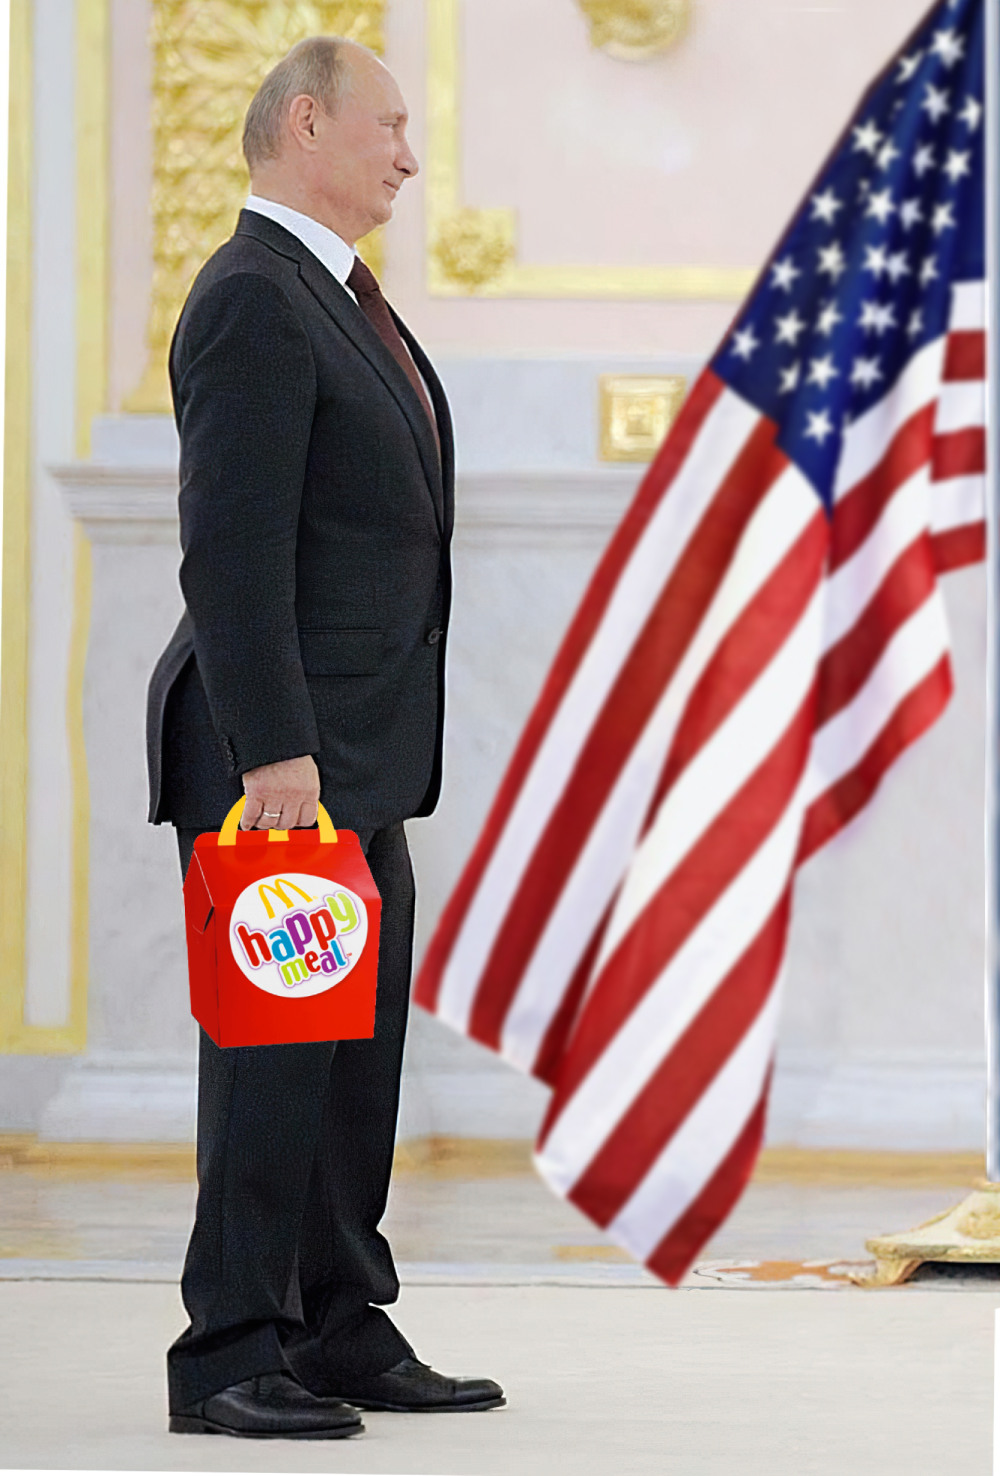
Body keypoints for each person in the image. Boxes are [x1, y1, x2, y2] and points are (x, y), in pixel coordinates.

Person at [146, 35, 503, 1441]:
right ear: (306, 124)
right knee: (273, 1068)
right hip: (280, 772)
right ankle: (229, 1351)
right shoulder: (253, 295)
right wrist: (275, 754)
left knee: (351, 1067)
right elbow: (230, 555)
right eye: (390, 127)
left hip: (355, 762)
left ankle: (339, 1325)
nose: (410, 156)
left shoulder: (336, 292)